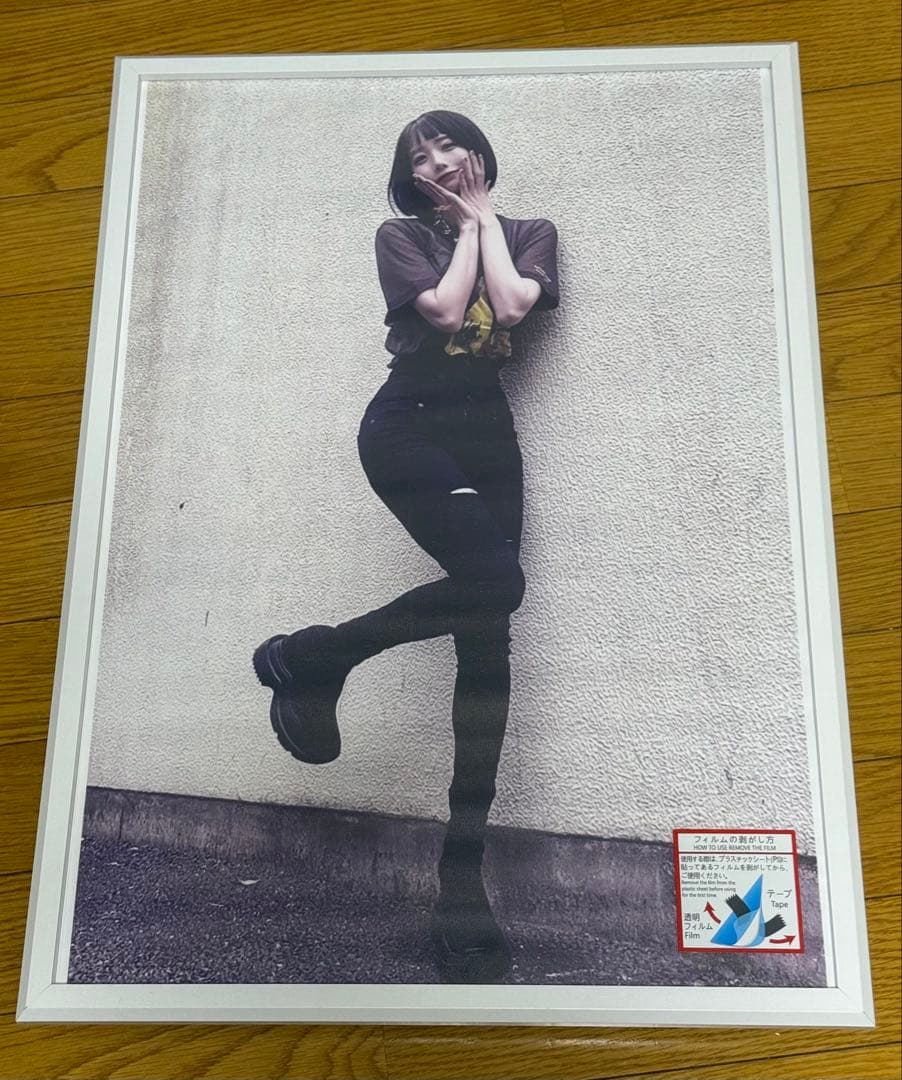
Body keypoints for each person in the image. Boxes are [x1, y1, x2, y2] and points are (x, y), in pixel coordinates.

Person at [254, 110, 559, 983]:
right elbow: (443, 310)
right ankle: (316, 656)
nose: (437, 160)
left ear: (478, 154)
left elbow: (512, 304)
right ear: (410, 179)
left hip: (488, 436)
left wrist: (484, 222)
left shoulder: (532, 233)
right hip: (408, 424)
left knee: (489, 634)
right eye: (419, 156)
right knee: (499, 582)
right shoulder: (401, 237)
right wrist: (462, 230)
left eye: (448, 145)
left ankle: (460, 883)